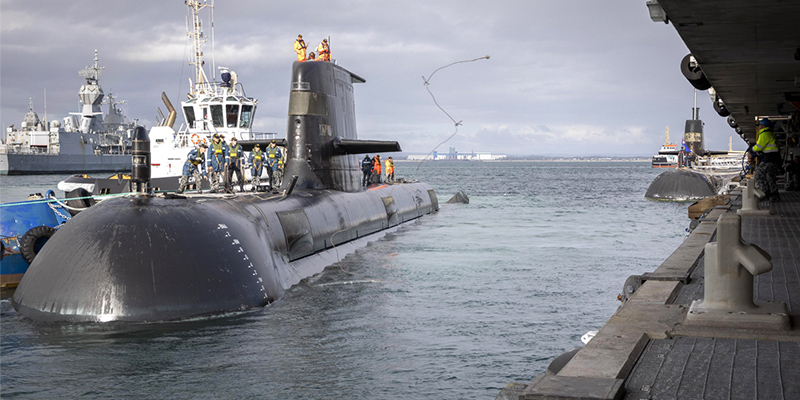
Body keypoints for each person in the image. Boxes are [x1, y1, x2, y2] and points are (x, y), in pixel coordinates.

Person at [752, 118, 782, 201]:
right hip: (775, 159)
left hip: (769, 159)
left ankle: (764, 194)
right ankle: (774, 195)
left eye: (760, 126)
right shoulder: (771, 134)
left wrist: (752, 151)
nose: (758, 128)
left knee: (758, 175)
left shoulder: (764, 134)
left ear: (764, 126)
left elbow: (758, 147)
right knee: (769, 177)